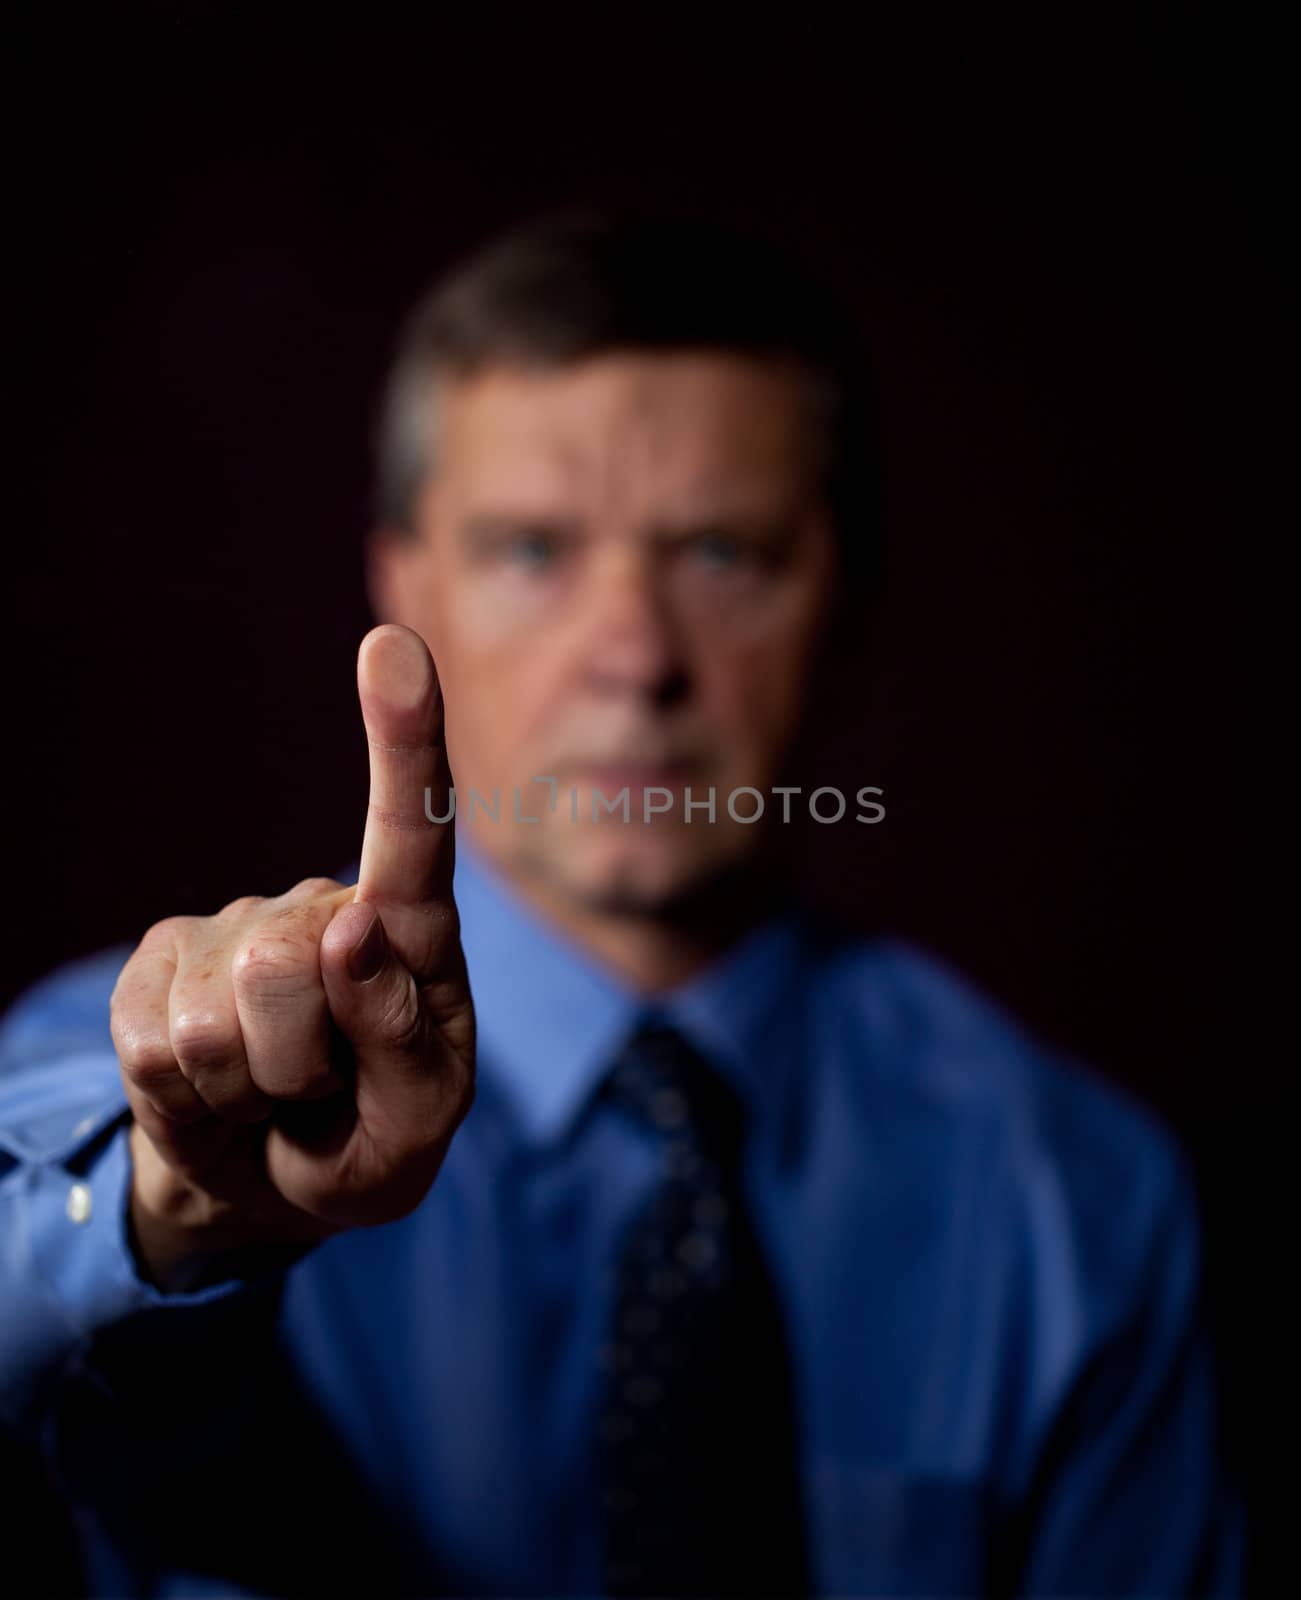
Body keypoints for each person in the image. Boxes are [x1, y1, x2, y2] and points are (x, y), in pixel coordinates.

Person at [0, 213, 1241, 1598]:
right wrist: (170, 1217)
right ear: (404, 590)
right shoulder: (143, 1065)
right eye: (532, 551)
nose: (633, 659)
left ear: (847, 597)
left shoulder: (1073, 1196)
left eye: (722, 555)